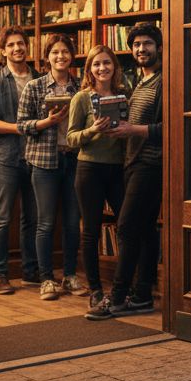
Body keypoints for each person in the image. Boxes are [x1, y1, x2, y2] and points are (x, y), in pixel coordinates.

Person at [86, 23, 164, 319]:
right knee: (143, 230)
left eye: (147, 44)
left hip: (151, 164)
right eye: (136, 45)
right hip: (131, 162)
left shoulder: (163, 82)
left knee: (127, 228)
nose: (141, 49)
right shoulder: (138, 84)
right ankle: (143, 294)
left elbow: (169, 129)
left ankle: (117, 297)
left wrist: (132, 129)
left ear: (159, 47)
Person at [17, 33, 83, 301]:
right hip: (44, 162)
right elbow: (21, 125)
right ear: (47, 57)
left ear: (72, 56)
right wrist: (46, 122)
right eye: (55, 52)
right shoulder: (34, 87)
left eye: (65, 51)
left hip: (75, 159)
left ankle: (69, 276)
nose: (61, 56)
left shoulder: (81, 87)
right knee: (45, 223)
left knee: (71, 221)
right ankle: (46, 279)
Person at [67, 44, 130, 310]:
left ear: (114, 67)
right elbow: (71, 139)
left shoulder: (124, 95)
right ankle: (95, 290)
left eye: (107, 63)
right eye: (96, 64)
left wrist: (125, 131)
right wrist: (93, 130)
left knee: (126, 228)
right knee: (91, 231)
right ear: (89, 69)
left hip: (118, 169)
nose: (102, 68)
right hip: (89, 170)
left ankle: (121, 290)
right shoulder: (81, 99)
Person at [0, 26, 39, 295]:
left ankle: (31, 272)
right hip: (7, 159)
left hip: (37, 158)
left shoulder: (39, 78)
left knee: (33, 219)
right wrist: (19, 128)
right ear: (3, 51)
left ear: (28, 47)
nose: (17, 48)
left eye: (21, 44)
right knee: (2, 217)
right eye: (11, 45)